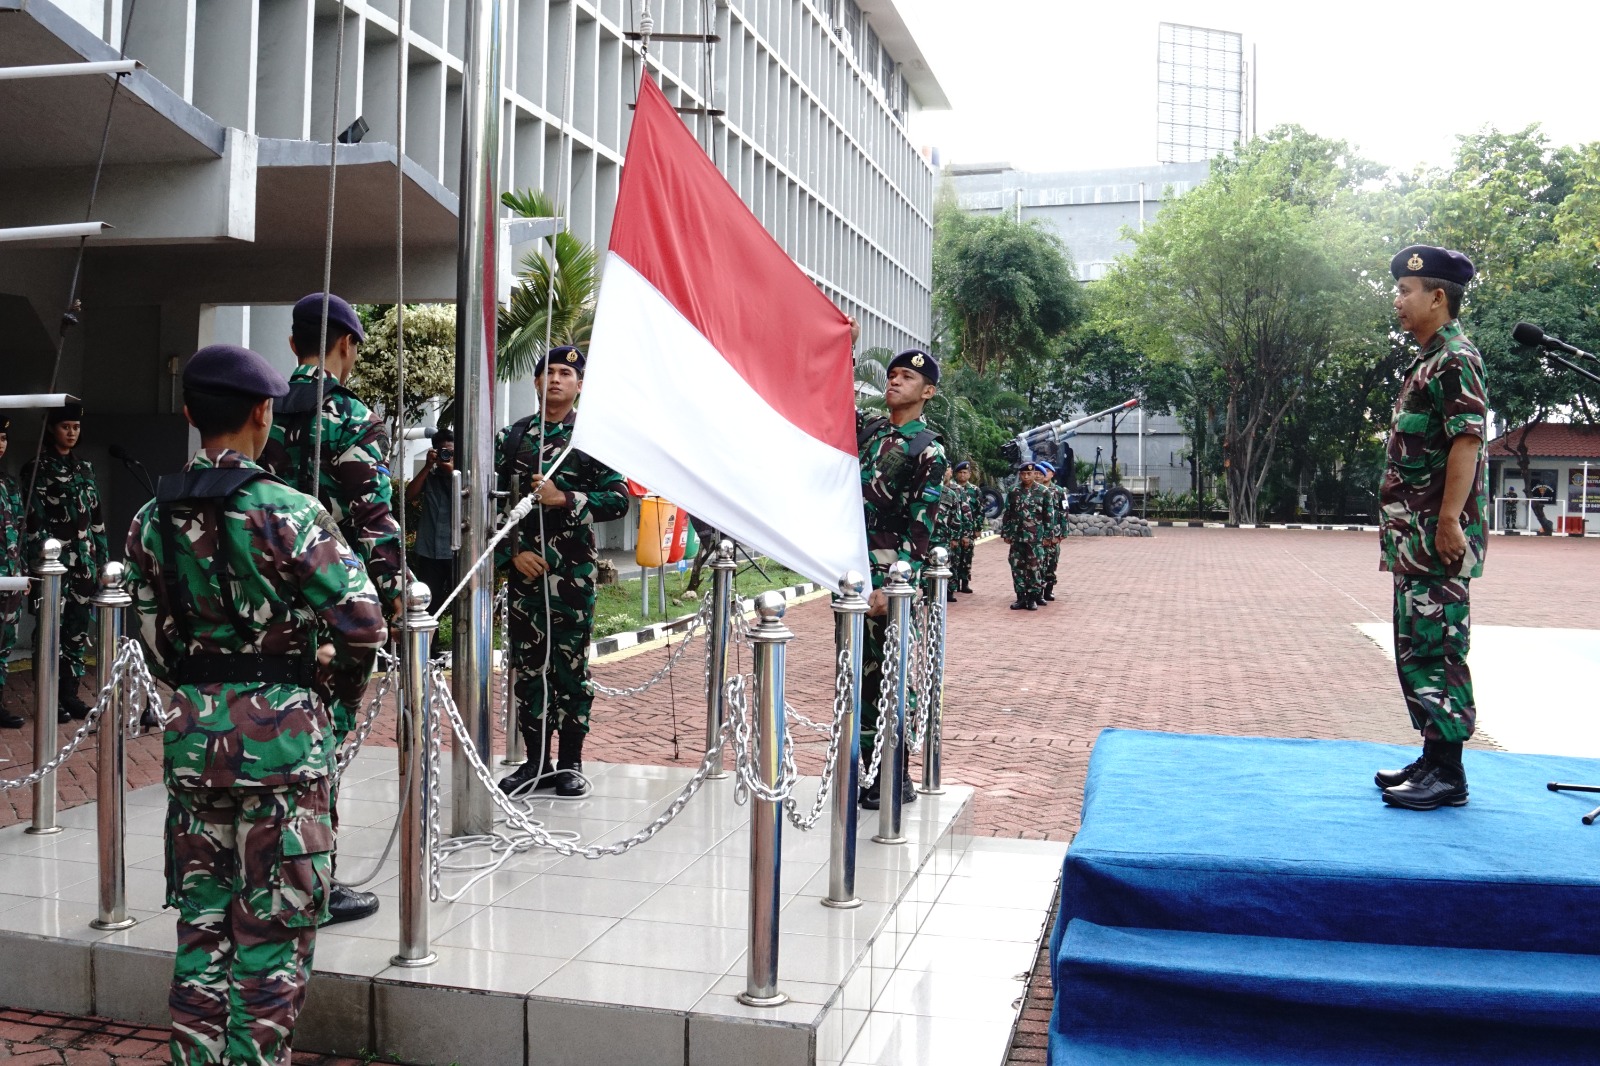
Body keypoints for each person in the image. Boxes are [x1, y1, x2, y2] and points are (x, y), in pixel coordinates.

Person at [124, 344, 386, 1066]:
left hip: (194, 740)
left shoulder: (150, 517)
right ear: (264, 414)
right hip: (283, 745)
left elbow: (151, 635)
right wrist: (327, 698)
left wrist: (202, 685)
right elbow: (363, 623)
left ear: (189, 414)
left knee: (201, 925)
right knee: (273, 929)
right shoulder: (291, 512)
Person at [257, 292, 401, 924]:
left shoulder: (258, 411)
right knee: (325, 743)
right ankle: (316, 878)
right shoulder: (349, 416)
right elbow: (374, 524)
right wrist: (395, 604)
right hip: (332, 606)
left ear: (293, 345)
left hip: (263, 606)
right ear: (346, 345)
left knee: (269, 735)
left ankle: (259, 866)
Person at [1373, 245, 1488, 812]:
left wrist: (1447, 521)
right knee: (1416, 648)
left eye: (1404, 291)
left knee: (1440, 647)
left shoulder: (1455, 360)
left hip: (1436, 538)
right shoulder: (1425, 363)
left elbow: (1467, 440)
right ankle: (1432, 755)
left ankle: (1450, 774)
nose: (1397, 301)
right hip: (1412, 541)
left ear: (1437, 297)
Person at [493, 346, 629, 798]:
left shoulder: (591, 441)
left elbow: (619, 499)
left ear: (579, 385)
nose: (555, 379)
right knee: (529, 668)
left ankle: (570, 763)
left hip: (572, 573)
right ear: (535, 383)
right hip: (526, 574)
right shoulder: (511, 439)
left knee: (570, 667)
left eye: (565, 373)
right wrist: (510, 553)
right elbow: (493, 506)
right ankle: (534, 763)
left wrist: (564, 499)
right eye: (547, 372)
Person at [856, 348, 947, 810]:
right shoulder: (868, 430)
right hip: (853, 569)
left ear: (927, 391)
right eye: (891, 375)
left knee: (893, 673)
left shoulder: (927, 449)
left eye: (906, 377)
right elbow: (827, 396)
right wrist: (844, 345)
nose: (894, 382)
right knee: (857, 674)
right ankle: (866, 767)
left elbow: (921, 522)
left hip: (890, 575)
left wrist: (896, 585)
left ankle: (895, 772)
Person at [22, 402, 106, 721]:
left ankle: (69, 694)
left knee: (77, 631)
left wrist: (101, 562)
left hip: (83, 564)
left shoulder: (85, 469)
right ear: (51, 429)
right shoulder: (37, 469)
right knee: (49, 633)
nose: (71, 433)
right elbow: (33, 523)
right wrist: (40, 563)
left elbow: (97, 519)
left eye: (76, 427)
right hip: (54, 568)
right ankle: (48, 696)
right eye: (65, 427)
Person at [406, 427, 456, 601]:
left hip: (455, 552)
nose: (447, 456)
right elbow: (409, 495)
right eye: (444, 452)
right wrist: (427, 466)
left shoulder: (463, 478)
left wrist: (452, 473)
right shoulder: (430, 475)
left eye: (451, 452)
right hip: (429, 552)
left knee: (460, 601)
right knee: (428, 603)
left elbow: (467, 500)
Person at [0, 418, 24, 729]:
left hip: (10, 577)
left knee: (4, 643)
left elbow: (19, 528)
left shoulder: (7, 483)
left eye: (3, 437)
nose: (0, 443)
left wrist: (23, 572)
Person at [1001, 462, 1050, 611]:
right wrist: (1006, 533)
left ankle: (1032, 598)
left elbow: (1048, 516)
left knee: (1034, 568)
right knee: (1017, 567)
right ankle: (1021, 597)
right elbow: (1008, 513)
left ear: (1035, 473)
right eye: (1023, 474)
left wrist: (1048, 536)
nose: (1026, 476)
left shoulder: (1043, 491)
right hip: (1017, 536)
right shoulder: (1013, 491)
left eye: (1029, 474)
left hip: (1035, 538)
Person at [948, 461, 981, 595]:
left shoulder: (975, 490)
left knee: (967, 556)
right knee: (954, 557)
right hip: (954, 528)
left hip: (968, 528)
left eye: (965, 473)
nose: (962, 475)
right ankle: (953, 583)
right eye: (960, 473)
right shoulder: (951, 489)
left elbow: (979, 510)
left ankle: (965, 582)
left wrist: (977, 528)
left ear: (969, 474)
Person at [930, 466, 960, 603]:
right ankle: (927, 591)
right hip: (928, 535)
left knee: (946, 563)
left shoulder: (950, 494)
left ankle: (948, 591)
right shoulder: (926, 490)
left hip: (943, 535)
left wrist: (955, 537)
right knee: (927, 563)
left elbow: (956, 517)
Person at [1037, 461, 1066, 602]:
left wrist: (1062, 534)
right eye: (1043, 471)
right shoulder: (1036, 490)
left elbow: (1064, 512)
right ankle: (1038, 591)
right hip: (1038, 533)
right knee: (1038, 563)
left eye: (1048, 471)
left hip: (1053, 533)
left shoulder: (1059, 491)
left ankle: (1049, 590)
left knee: (1051, 562)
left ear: (1052, 474)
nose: (1045, 473)